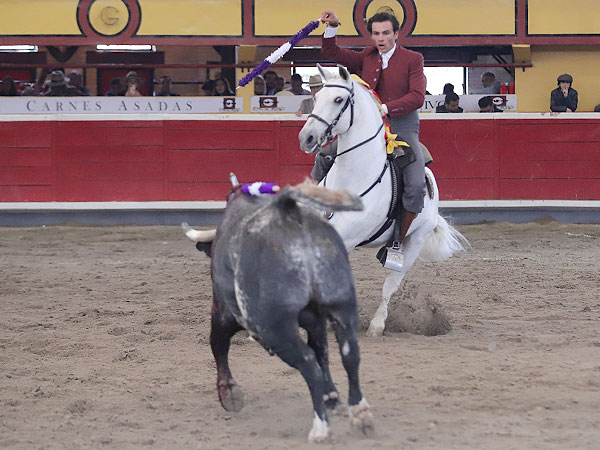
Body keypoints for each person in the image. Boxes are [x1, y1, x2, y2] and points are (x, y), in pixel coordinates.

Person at [320, 8, 427, 252]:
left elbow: (417, 97)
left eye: (386, 33)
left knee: (415, 183)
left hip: (402, 127)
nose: (381, 38)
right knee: (325, 154)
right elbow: (331, 52)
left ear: (396, 34)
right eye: (376, 34)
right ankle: (318, 210)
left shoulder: (413, 59)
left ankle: (397, 241)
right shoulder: (367, 56)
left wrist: (386, 108)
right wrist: (333, 27)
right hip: (369, 128)